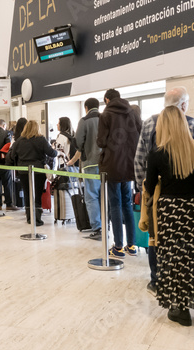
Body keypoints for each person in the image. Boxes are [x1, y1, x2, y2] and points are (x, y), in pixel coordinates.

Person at [145, 105, 194, 326]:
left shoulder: (157, 154)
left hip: (169, 212)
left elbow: (149, 187)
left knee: (174, 259)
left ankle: (182, 310)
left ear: (163, 127)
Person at [134, 86, 194, 296]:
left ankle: (157, 280)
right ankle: (185, 279)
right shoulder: (193, 124)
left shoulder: (149, 124)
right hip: (190, 195)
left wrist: (144, 191)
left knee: (155, 237)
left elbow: (139, 160)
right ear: (183, 105)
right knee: (186, 240)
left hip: (158, 195)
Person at [97, 89, 141, 258]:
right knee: (127, 204)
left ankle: (119, 247)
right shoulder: (132, 111)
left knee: (115, 205)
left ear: (107, 99)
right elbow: (140, 133)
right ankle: (132, 245)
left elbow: (101, 141)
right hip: (130, 164)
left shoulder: (106, 114)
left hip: (112, 165)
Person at [9, 120, 58, 226]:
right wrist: (56, 150)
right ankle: (37, 219)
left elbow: (12, 155)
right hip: (38, 171)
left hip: (23, 171)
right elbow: (52, 153)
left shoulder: (19, 141)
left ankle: (29, 218)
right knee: (37, 194)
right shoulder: (41, 139)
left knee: (27, 194)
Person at [68, 98, 102, 239]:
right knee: (104, 195)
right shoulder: (106, 119)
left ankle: (97, 227)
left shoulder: (84, 121)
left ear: (86, 107)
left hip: (90, 163)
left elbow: (78, 143)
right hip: (107, 163)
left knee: (91, 196)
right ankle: (106, 224)